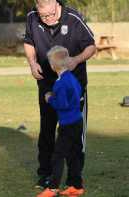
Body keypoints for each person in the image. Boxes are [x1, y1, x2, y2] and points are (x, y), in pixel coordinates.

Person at [23, 0, 96, 188]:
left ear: (56, 4)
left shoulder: (73, 19)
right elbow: (29, 42)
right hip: (47, 84)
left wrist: (76, 60)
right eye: (43, 16)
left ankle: (74, 180)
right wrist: (32, 63)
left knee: (73, 136)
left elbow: (91, 46)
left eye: (50, 15)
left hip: (74, 87)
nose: (46, 19)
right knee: (47, 132)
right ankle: (46, 176)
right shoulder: (32, 17)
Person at [37, 46, 85, 197]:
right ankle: (76, 186)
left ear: (53, 66)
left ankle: (52, 188)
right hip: (77, 122)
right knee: (73, 154)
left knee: (58, 156)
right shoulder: (71, 78)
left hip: (68, 125)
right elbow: (78, 95)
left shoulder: (61, 83)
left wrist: (50, 98)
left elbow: (62, 104)